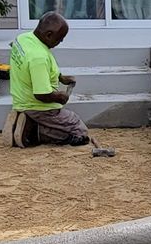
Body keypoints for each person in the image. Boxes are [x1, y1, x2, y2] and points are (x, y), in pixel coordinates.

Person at [7, 12, 93, 148]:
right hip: (38, 107)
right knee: (79, 131)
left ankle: (25, 121)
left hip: (22, 100)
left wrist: (60, 77)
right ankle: (32, 131)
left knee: (70, 125)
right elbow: (42, 94)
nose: (61, 42)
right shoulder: (38, 58)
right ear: (48, 35)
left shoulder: (22, 39)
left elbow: (32, 68)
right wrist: (60, 97)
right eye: (60, 39)